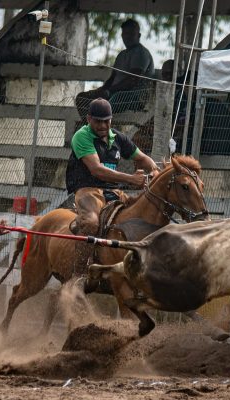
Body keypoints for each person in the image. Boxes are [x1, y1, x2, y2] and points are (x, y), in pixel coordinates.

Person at [66, 98, 158, 272]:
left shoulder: (117, 137)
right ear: (88, 119)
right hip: (88, 190)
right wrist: (131, 179)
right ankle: (77, 274)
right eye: (98, 121)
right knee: (92, 223)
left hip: (113, 191)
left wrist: (153, 170)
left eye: (106, 121)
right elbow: (97, 170)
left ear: (111, 119)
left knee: (141, 214)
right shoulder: (81, 136)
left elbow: (143, 159)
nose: (102, 126)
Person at [75, 19, 154, 118]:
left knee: (101, 106)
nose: (128, 36)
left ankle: (96, 128)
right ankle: (88, 127)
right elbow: (112, 78)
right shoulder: (121, 55)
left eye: (131, 33)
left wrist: (109, 91)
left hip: (134, 97)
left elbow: (133, 80)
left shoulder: (141, 52)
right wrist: (103, 89)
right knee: (82, 98)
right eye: (125, 33)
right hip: (114, 93)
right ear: (122, 35)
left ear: (138, 35)